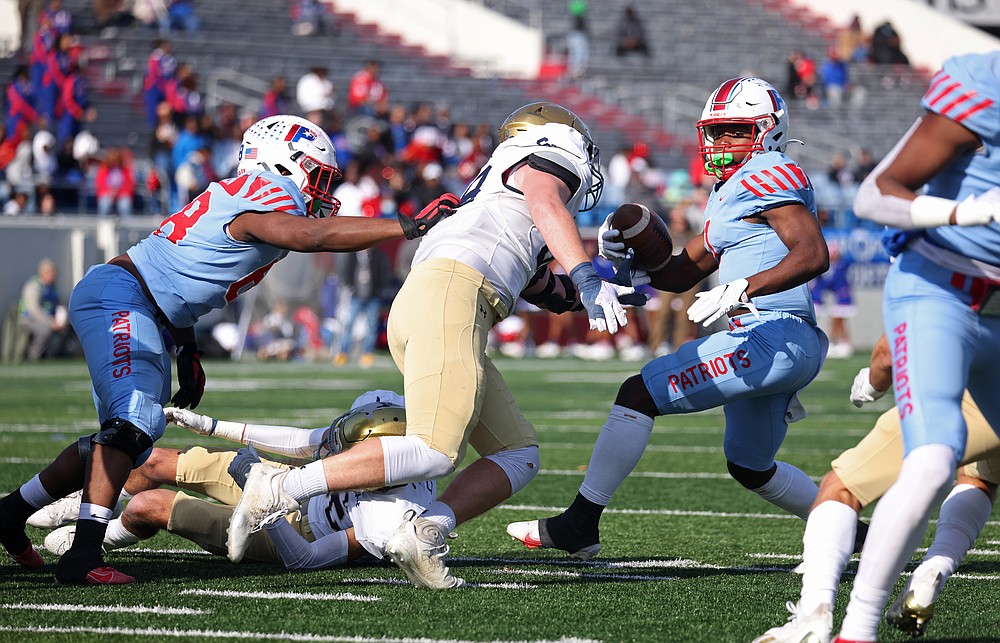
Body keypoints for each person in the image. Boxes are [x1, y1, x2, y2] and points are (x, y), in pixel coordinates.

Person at [0, 114, 456, 586]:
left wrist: (187, 347)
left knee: (128, 440)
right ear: (285, 164)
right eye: (318, 176)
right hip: (124, 298)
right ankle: (82, 556)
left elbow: (182, 275)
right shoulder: (268, 192)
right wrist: (407, 224)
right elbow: (310, 236)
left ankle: (11, 514)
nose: (322, 191)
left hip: (143, 305)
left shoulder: (246, 191)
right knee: (130, 426)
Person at [228, 102, 641, 589]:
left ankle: (423, 533)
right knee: (433, 450)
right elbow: (547, 204)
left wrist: (619, 281)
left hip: (439, 300)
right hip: (454, 295)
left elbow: (546, 290)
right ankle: (280, 486)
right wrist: (587, 273)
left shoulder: (494, 200)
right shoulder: (548, 157)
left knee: (517, 453)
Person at [507, 78, 835, 559]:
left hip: (772, 334)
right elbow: (682, 273)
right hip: (770, 338)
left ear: (768, 131)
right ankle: (857, 534)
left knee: (637, 393)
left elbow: (812, 253)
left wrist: (745, 286)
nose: (719, 143)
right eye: (714, 132)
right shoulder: (734, 189)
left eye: (734, 131)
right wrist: (629, 262)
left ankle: (580, 523)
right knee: (749, 464)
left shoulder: (769, 172)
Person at [825, 51, 1000, 643]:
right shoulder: (986, 85)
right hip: (944, 287)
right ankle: (857, 628)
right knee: (933, 457)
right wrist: (963, 211)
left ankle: (929, 572)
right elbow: (874, 196)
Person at [752, 336, 999, 642]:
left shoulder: (944, 285)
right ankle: (931, 571)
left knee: (841, 487)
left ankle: (815, 617)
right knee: (979, 478)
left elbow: (888, 352)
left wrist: (870, 384)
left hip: (980, 396)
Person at [40, 390, 439, 574]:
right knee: (155, 461)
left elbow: (306, 559)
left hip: (294, 530)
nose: (339, 455)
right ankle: (83, 506)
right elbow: (304, 443)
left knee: (150, 506)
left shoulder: (391, 518)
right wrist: (213, 427)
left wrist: (264, 508)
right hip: (286, 483)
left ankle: (102, 535)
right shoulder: (385, 416)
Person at [18, 258, 69, 360]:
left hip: (50, 319)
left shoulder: (52, 287)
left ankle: (54, 355)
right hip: (29, 319)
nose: (54, 276)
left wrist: (63, 319)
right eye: (51, 273)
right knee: (44, 331)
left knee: (67, 329)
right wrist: (51, 322)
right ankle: (34, 356)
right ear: (43, 273)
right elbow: (34, 310)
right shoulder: (33, 286)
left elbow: (59, 305)